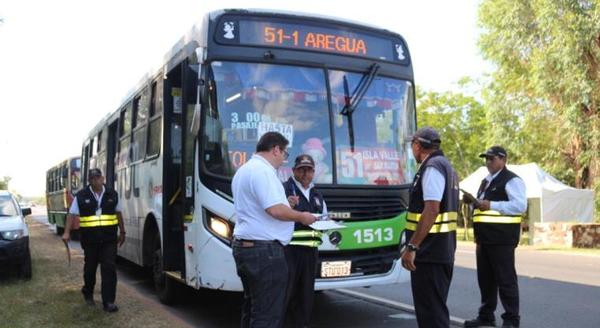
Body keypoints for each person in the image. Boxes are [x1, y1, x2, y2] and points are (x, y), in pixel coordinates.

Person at [231, 131, 317, 328]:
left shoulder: (244, 170)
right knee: (267, 314)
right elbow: (275, 210)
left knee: (252, 307)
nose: (284, 160)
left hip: (246, 248)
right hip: (265, 252)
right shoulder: (264, 172)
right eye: (285, 154)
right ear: (275, 149)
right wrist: (302, 216)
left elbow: (258, 206)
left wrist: (286, 204)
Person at [401, 127, 459, 328]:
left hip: (429, 253)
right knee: (434, 310)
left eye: (412, 146)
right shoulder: (446, 166)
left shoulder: (432, 167)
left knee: (431, 315)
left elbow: (432, 209)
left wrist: (412, 247)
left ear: (418, 145)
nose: (412, 150)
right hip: (440, 251)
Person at [463, 146, 526, 328]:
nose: (488, 162)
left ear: (503, 159)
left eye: (492, 159)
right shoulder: (486, 181)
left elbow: (519, 206)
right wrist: (473, 202)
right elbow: (482, 206)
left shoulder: (512, 180)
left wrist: (490, 204)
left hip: (502, 239)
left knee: (506, 280)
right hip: (484, 239)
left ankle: (511, 320)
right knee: (486, 280)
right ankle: (486, 316)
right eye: (486, 159)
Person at [62, 168, 126, 313]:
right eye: (92, 178)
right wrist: (66, 232)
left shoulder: (112, 194)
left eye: (97, 177)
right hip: (90, 240)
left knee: (109, 268)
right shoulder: (81, 196)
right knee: (90, 269)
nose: (95, 180)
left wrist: (122, 232)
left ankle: (109, 301)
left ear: (102, 178)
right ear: (89, 181)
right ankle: (88, 293)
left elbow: (118, 213)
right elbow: (71, 215)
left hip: (109, 239)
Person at [283, 154, 327, 328]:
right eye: (301, 170)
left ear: (314, 172)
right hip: (289, 252)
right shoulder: (285, 189)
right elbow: (274, 214)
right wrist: (288, 205)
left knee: (306, 294)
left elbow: (323, 218)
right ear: (294, 171)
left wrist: (328, 222)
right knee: (287, 293)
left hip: (310, 253)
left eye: (309, 170)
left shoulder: (317, 195)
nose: (305, 174)